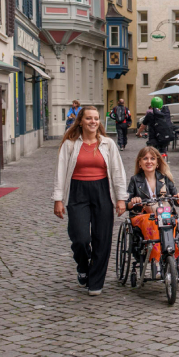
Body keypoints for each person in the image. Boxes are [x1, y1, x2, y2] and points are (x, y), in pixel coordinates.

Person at [52, 106, 128, 296]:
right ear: (80, 121)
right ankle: (83, 266)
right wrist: (58, 199)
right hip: (77, 191)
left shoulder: (108, 144)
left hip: (102, 190)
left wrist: (121, 199)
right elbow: (60, 172)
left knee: (102, 238)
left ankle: (95, 281)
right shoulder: (70, 144)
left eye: (96, 118)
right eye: (88, 118)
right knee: (80, 237)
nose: (93, 121)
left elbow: (117, 171)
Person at [126, 147, 179, 280]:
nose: (149, 161)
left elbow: (175, 199)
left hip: (162, 214)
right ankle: (157, 260)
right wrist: (133, 201)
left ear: (158, 162)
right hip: (142, 216)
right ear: (139, 163)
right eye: (145, 159)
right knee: (153, 222)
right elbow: (127, 204)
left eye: (152, 158)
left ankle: (172, 254)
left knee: (172, 220)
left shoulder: (165, 179)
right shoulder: (135, 180)